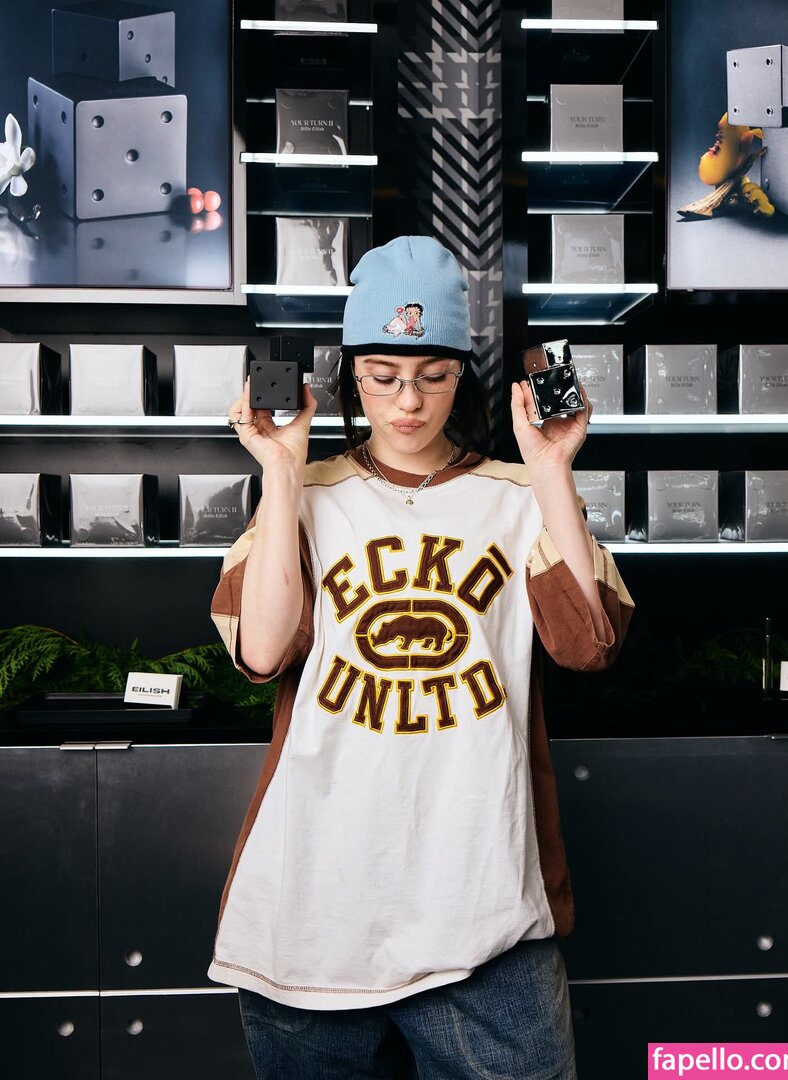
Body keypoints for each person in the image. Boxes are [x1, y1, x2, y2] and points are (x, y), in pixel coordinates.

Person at [208, 236, 634, 1079]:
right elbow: (260, 651)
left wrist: (551, 467)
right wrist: (283, 470)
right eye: (383, 376)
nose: (408, 401)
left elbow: (588, 645)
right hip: (315, 910)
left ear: (461, 376)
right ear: (350, 378)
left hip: (485, 913)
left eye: (433, 376)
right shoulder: (308, 492)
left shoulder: (519, 495)